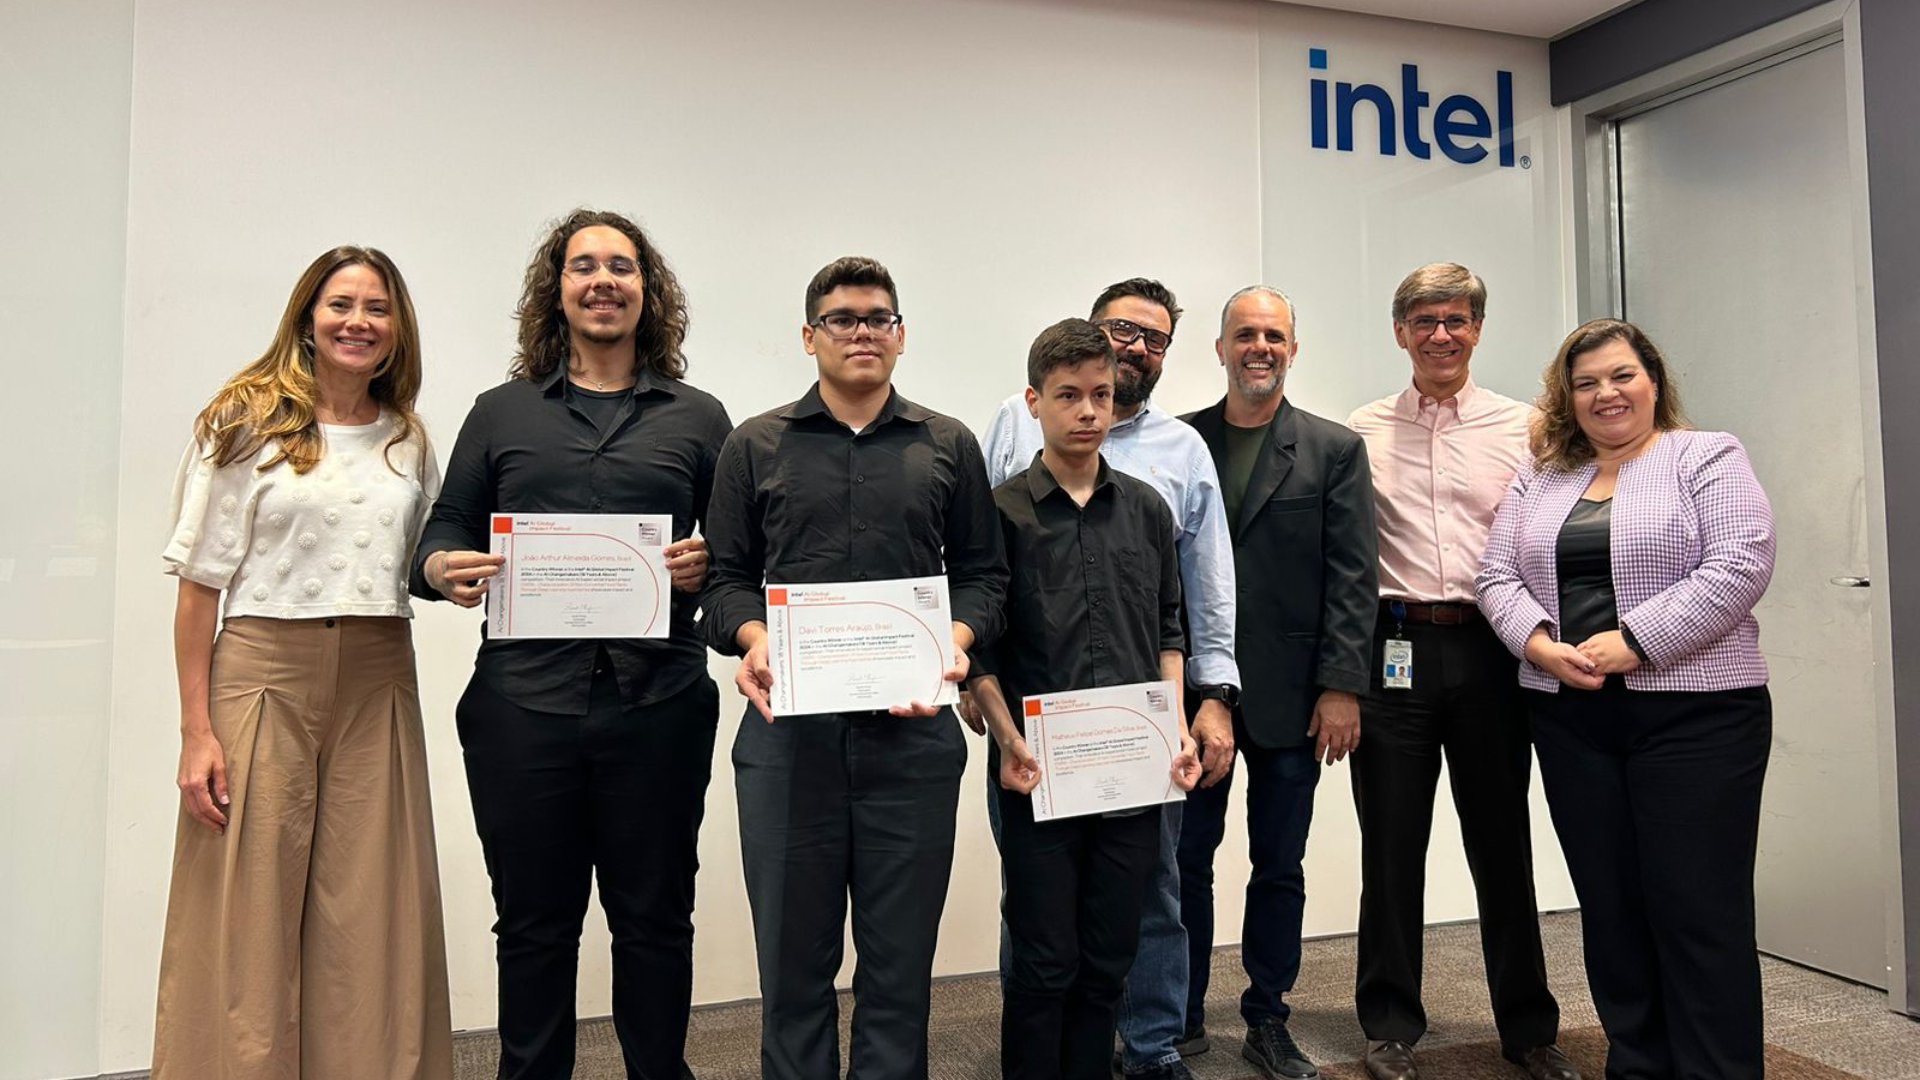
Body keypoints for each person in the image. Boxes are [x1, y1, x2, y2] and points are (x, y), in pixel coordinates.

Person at [411, 209, 732, 1079]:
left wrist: (710, 563)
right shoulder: (500, 413)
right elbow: (439, 531)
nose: (603, 281)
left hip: (660, 702)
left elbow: (745, 555)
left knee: (656, 919)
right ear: (556, 289)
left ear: (646, 290)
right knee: (534, 924)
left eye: (621, 267)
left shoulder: (700, 418)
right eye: (583, 265)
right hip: (522, 706)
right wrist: (442, 566)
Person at [703, 256, 1008, 1080]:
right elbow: (725, 580)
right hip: (786, 742)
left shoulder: (947, 443)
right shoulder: (754, 443)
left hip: (912, 744)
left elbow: (985, 574)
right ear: (810, 337)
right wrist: (751, 639)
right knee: (793, 972)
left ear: (901, 336)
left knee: (899, 972)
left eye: (879, 317)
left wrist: (960, 637)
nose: (862, 331)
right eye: (842, 318)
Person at [154, 246, 451, 1078]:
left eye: (378, 309)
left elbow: (416, 566)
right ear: (307, 318)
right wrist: (195, 733)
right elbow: (198, 590)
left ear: (398, 331)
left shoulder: (407, 439)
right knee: (244, 909)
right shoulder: (242, 422)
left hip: (378, 677)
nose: (359, 322)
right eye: (341, 305)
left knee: (373, 910)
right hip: (261, 674)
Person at [1477, 319, 1775, 1079]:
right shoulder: (1539, 476)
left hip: (1697, 716)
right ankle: (1637, 1065)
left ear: (1653, 381)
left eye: (1621, 376)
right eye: (1586, 383)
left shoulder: (1704, 456)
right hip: (1572, 717)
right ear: (1566, 398)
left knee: (1697, 913)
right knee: (1611, 911)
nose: (1605, 394)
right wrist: (1539, 645)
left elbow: (1739, 564)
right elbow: (1495, 578)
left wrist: (1633, 641)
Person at [977, 278, 1239, 1080]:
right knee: (1044, 953)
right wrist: (1003, 736)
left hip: (1134, 765)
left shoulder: (1150, 509)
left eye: (1098, 395)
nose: (1087, 410)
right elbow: (980, 643)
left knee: (1109, 951)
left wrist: (1178, 722)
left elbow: (1171, 625)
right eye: (1068, 396)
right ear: (1035, 402)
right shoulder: (1001, 511)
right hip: (1036, 765)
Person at [1346, 263, 1577, 1080]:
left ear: (1477, 328)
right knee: (1392, 845)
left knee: (1501, 842)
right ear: (1399, 331)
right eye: (1422, 320)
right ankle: (1389, 1023)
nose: (1439, 334)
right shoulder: (1359, 431)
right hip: (1394, 647)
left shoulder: (1531, 428)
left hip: (1494, 649)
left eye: (1455, 319)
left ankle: (1528, 1029)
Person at [1177, 286, 1378, 1080]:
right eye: (1244, 335)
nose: (1259, 347)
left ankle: (1268, 1013)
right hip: (1196, 692)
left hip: (1299, 694)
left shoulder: (1333, 450)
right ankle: (1180, 1014)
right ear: (1220, 350)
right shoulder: (1178, 441)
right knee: (1185, 863)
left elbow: (1354, 576)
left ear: (1293, 349)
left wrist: (1341, 685)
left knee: (1279, 864)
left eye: (1274, 335)